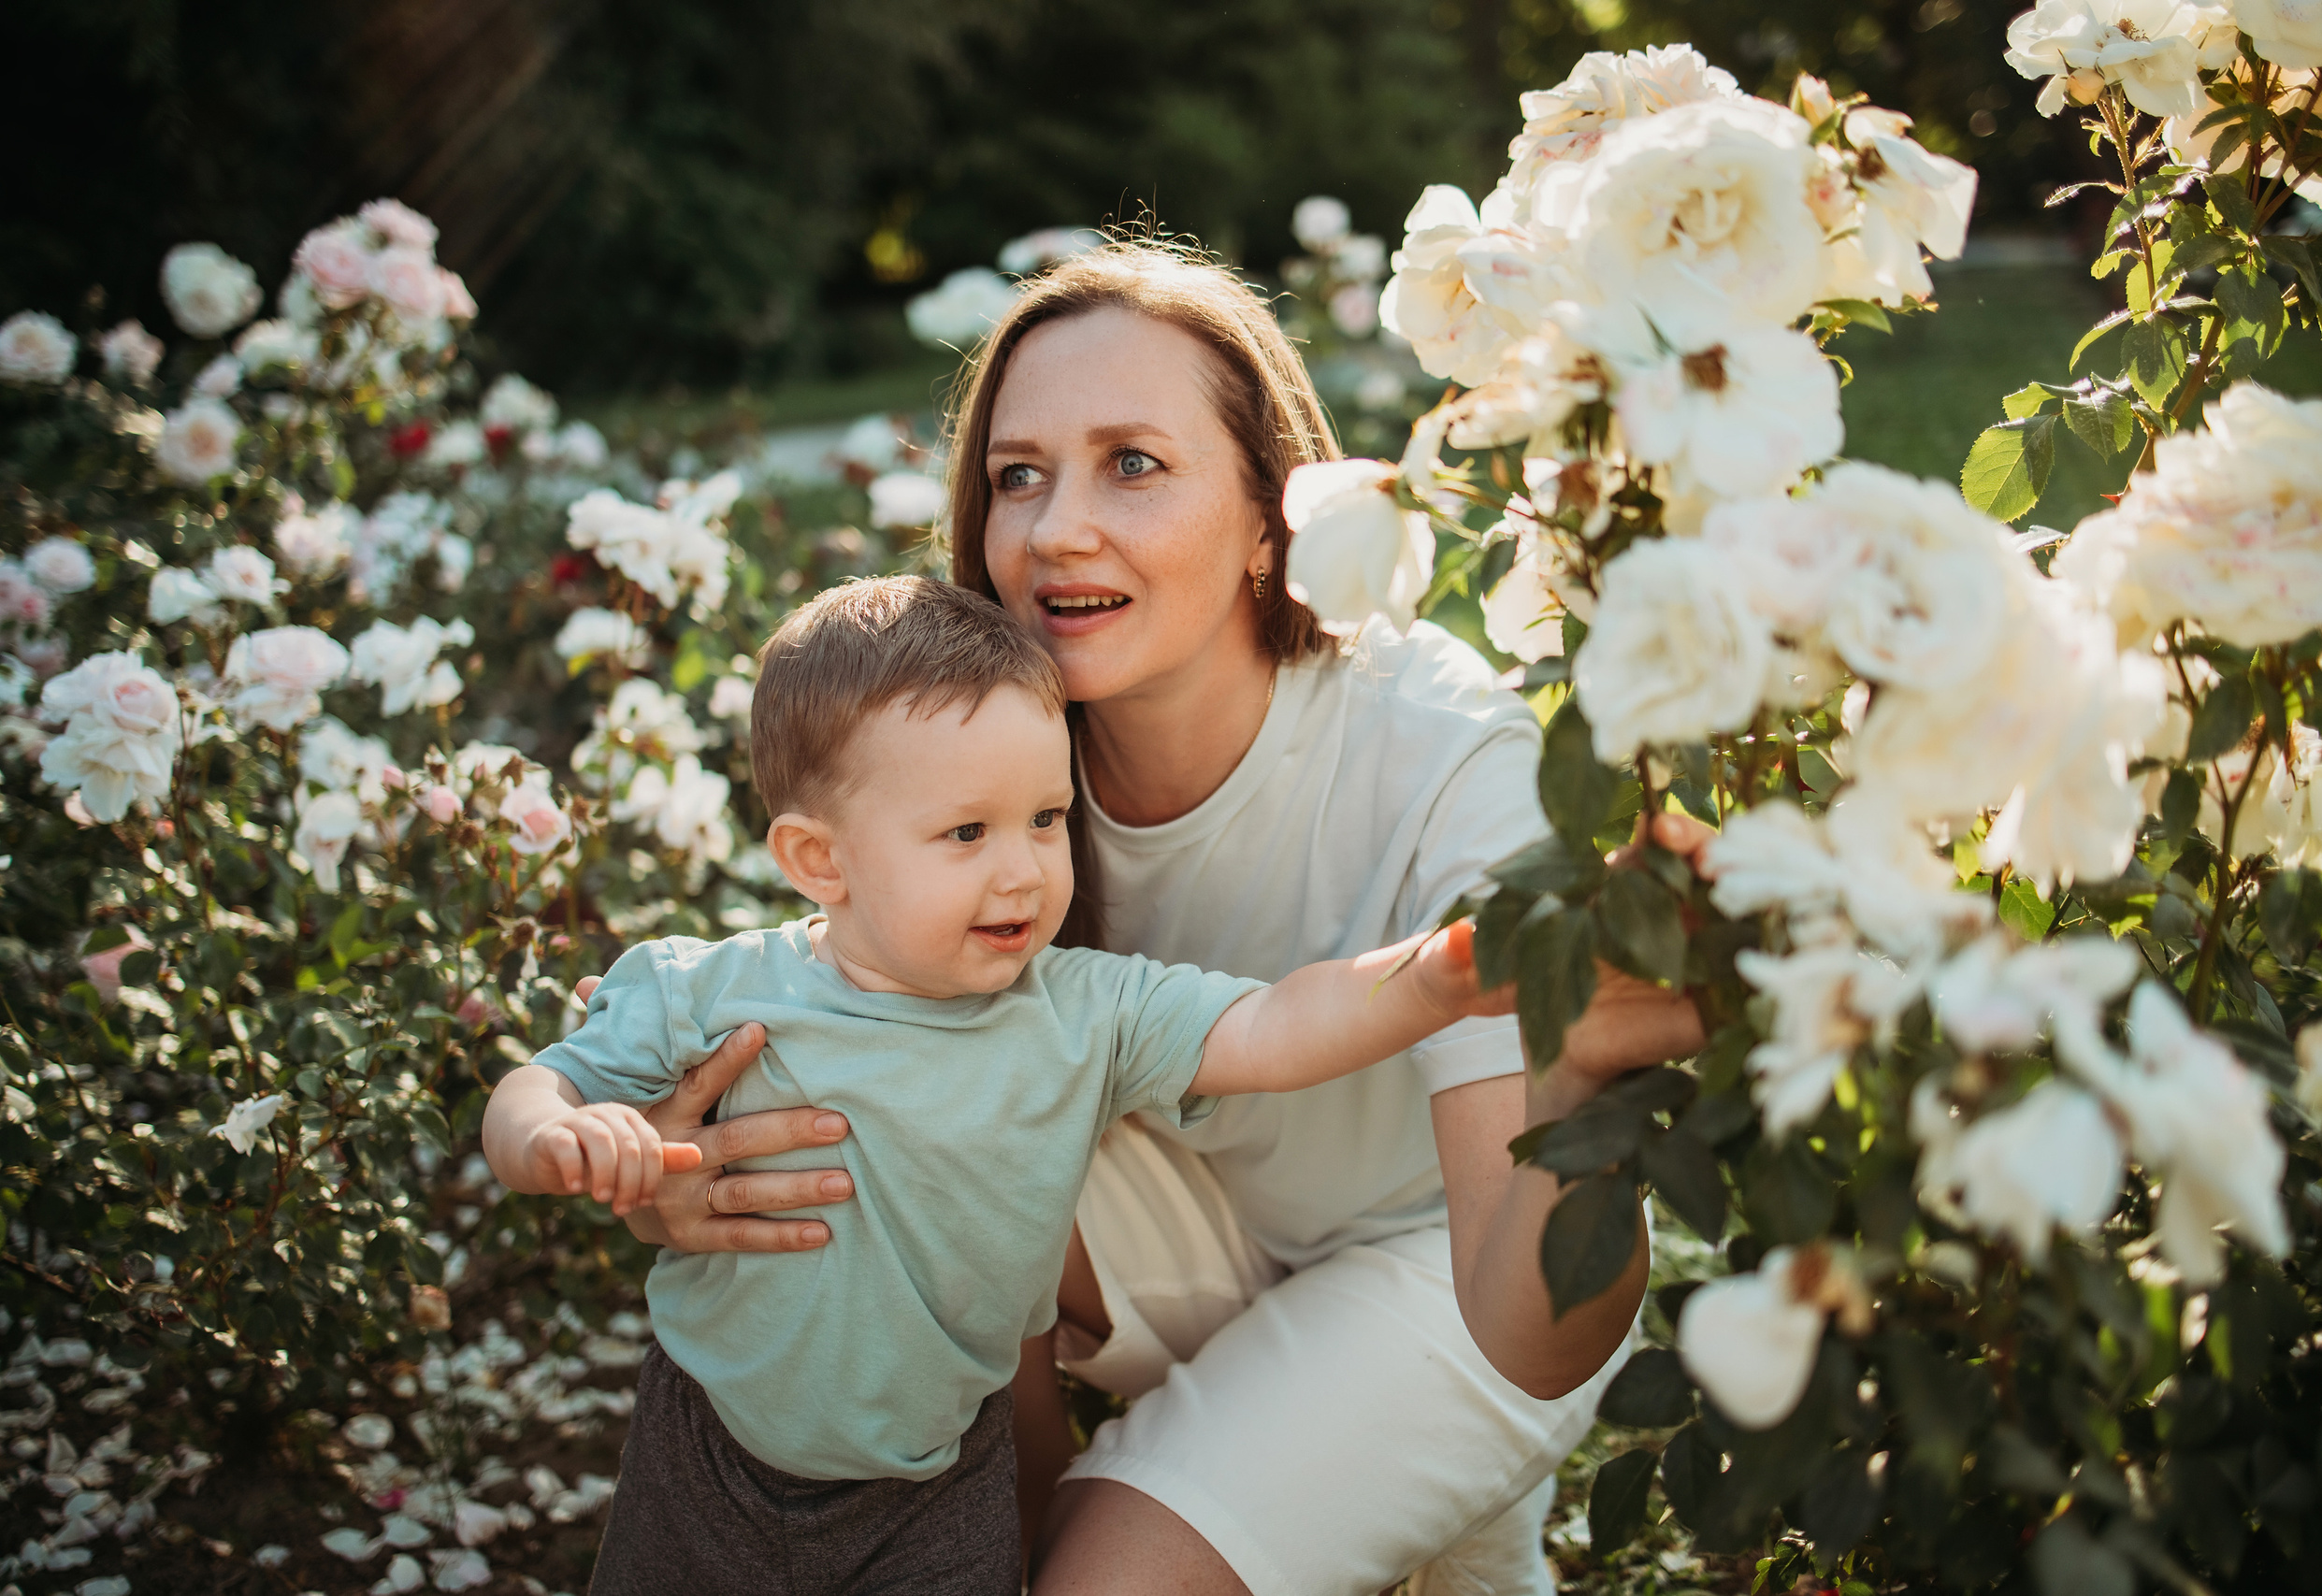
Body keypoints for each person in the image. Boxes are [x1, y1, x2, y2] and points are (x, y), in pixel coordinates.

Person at [568, 242, 1706, 1596]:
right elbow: (837, 1040)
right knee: (907, 1103)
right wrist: (678, 1181)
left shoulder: (1443, 751)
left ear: (1275, 516)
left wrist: (1576, 1073)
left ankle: (1441, 1490)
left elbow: (1532, 1330)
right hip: (1191, 1220)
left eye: (1135, 463)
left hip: (1451, 1266)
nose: (1054, 530)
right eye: (1018, 474)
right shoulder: (996, 764)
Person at [486, 576, 1513, 1594]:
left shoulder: (1082, 1012)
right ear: (819, 860)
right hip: (714, 1452)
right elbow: (535, 1090)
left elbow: (1273, 1027)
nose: (1022, 870)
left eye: (1046, 817)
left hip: (941, 1483)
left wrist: (1428, 980)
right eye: (966, 834)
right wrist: (555, 1140)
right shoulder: (715, 991)